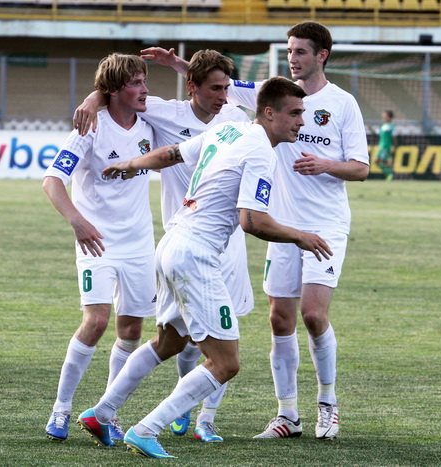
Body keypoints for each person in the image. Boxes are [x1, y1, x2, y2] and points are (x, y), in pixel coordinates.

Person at [76, 77, 332, 458]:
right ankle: (146, 429)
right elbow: (252, 221)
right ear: (268, 112)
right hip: (195, 254)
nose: (301, 121)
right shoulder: (260, 152)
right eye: (295, 113)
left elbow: (172, 154)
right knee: (225, 363)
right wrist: (300, 236)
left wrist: (130, 164)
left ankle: (101, 413)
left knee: (170, 341)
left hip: (171, 243)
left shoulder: (228, 130)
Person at [141, 20, 370, 441]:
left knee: (313, 314)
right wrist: (178, 65)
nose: (292, 58)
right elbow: (221, 84)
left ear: (322, 55)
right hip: (281, 223)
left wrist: (325, 164)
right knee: (280, 319)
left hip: (326, 223)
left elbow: (361, 168)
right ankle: (288, 414)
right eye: (290, 50)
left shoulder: (343, 104)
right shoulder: (273, 92)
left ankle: (328, 405)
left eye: (300, 51)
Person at [73, 49, 253, 443]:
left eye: (227, 88)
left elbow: (175, 150)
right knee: (216, 347)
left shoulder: (236, 120)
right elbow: (117, 91)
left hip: (213, 246)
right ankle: (158, 423)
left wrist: (179, 65)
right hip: (191, 243)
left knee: (180, 340)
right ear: (192, 87)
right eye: (215, 88)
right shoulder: (167, 113)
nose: (223, 96)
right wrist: (91, 100)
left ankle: (192, 418)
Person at [42, 53, 156, 444]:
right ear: (114, 90)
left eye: (144, 81)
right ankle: (61, 408)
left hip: (140, 243)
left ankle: (107, 412)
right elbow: (52, 181)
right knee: (96, 322)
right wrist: (77, 221)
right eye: (136, 83)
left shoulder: (151, 124)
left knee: (132, 330)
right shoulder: (90, 126)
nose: (145, 89)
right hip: (97, 243)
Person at [376, 109, 395, 181]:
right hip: (381, 147)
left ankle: (389, 174)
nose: (383, 117)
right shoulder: (383, 126)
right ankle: (389, 173)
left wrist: (393, 146)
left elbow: (394, 137)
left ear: (390, 117)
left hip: (386, 147)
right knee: (378, 162)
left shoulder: (391, 127)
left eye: (385, 116)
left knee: (381, 161)